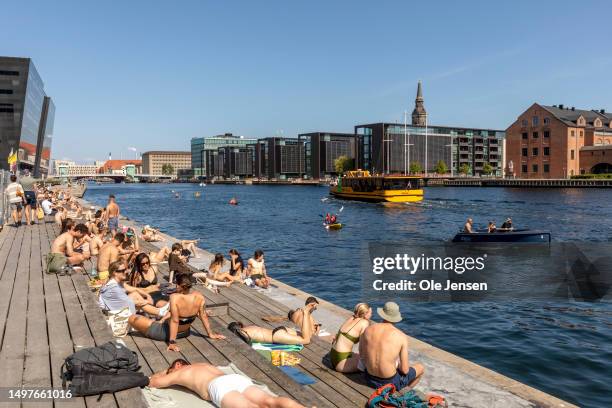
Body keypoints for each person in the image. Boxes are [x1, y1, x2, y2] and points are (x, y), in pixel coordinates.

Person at [149, 360, 305, 408]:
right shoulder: (203, 364)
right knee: (269, 401)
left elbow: (154, 382)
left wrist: (165, 372)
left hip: (218, 386)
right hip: (235, 378)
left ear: (177, 365)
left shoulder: (180, 372)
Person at [128, 274, 225, 348]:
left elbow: (175, 321)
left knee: (131, 318)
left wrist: (172, 342)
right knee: (162, 312)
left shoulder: (175, 297)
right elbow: (203, 316)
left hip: (167, 333)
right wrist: (210, 334)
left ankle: (153, 322)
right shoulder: (199, 296)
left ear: (178, 286)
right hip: (185, 332)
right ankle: (157, 320)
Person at [359, 302, 425, 393]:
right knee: (420, 368)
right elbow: (405, 370)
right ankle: (402, 393)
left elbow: (362, 355)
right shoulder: (401, 336)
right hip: (390, 383)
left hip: (369, 379)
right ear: (395, 318)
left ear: (382, 314)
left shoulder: (367, 330)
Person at [99, 261, 168, 317]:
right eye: (123, 270)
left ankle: (157, 312)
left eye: (125, 269)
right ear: (115, 273)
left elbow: (135, 289)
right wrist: (147, 301)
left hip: (118, 307)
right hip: (115, 314)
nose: (126, 272)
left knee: (134, 294)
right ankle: (159, 312)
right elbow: (130, 302)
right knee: (138, 302)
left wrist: (148, 296)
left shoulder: (118, 282)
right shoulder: (114, 288)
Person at [228, 302, 315, 345]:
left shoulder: (241, 332)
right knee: (307, 336)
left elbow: (245, 341)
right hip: (280, 330)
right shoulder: (250, 327)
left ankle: (306, 312)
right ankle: (306, 314)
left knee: (306, 340)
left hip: (276, 336)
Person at [329, 303, 371, 373]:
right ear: (366, 314)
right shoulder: (364, 323)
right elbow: (363, 347)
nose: (371, 315)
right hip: (341, 362)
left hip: (333, 356)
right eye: (370, 312)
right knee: (368, 362)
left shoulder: (351, 318)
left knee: (357, 355)